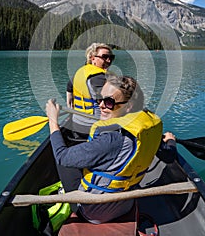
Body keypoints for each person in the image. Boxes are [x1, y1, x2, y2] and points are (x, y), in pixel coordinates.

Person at [46, 74, 172, 224]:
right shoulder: (144, 129)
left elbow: (62, 156)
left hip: (94, 212)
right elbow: (169, 156)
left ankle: (75, 202)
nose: (100, 106)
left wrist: (53, 120)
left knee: (63, 158)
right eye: (100, 99)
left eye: (109, 102)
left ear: (129, 106)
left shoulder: (111, 138)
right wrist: (170, 141)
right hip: (126, 203)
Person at [66, 42, 115, 136]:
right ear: (92, 58)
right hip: (95, 127)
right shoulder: (99, 78)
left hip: (77, 123)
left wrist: (70, 109)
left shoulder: (80, 73)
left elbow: (69, 89)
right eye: (104, 57)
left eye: (111, 57)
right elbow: (114, 103)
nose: (108, 61)